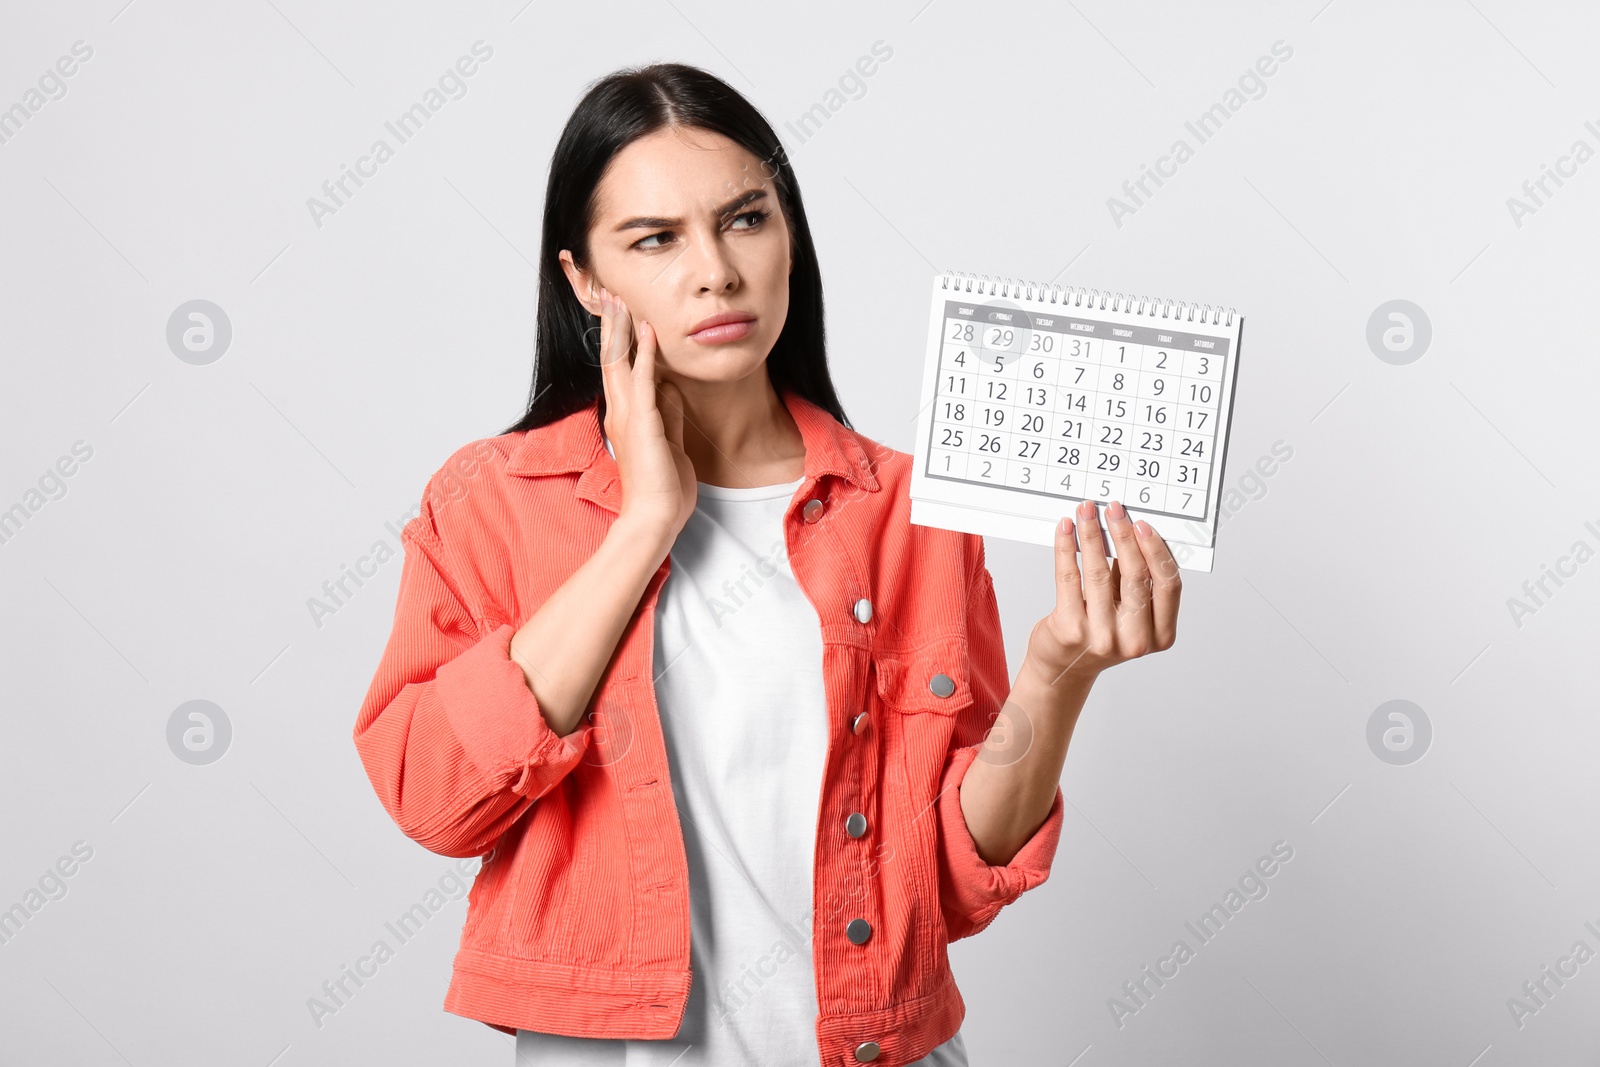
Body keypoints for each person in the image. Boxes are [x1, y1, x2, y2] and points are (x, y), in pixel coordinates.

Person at [352, 61, 1181, 1067]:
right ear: (585, 280)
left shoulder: (905, 511)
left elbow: (956, 881)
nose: (715, 270)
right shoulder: (491, 500)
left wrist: (1058, 672)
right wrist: (645, 521)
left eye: (745, 219)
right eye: (655, 239)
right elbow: (436, 799)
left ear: (789, 235)